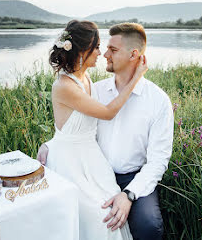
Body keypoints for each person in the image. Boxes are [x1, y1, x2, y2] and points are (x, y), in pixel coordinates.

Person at [38, 22, 173, 240]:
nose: (104, 55)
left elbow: (159, 160)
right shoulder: (95, 89)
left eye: (113, 50)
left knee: (148, 225)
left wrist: (129, 194)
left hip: (133, 177)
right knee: (97, 218)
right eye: (101, 47)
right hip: (92, 170)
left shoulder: (158, 101)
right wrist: (51, 144)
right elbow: (74, 127)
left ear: (134, 55)